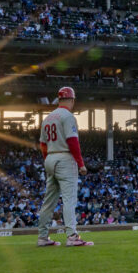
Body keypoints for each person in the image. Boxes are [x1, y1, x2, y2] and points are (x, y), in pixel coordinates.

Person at [36, 86, 93, 247]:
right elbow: (72, 141)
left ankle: (42, 237)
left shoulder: (48, 118)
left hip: (51, 158)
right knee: (69, 199)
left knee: (49, 201)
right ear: (72, 100)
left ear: (59, 99)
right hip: (64, 157)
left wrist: (49, 161)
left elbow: (42, 144)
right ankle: (72, 236)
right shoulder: (68, 116)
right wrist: (81, 164)